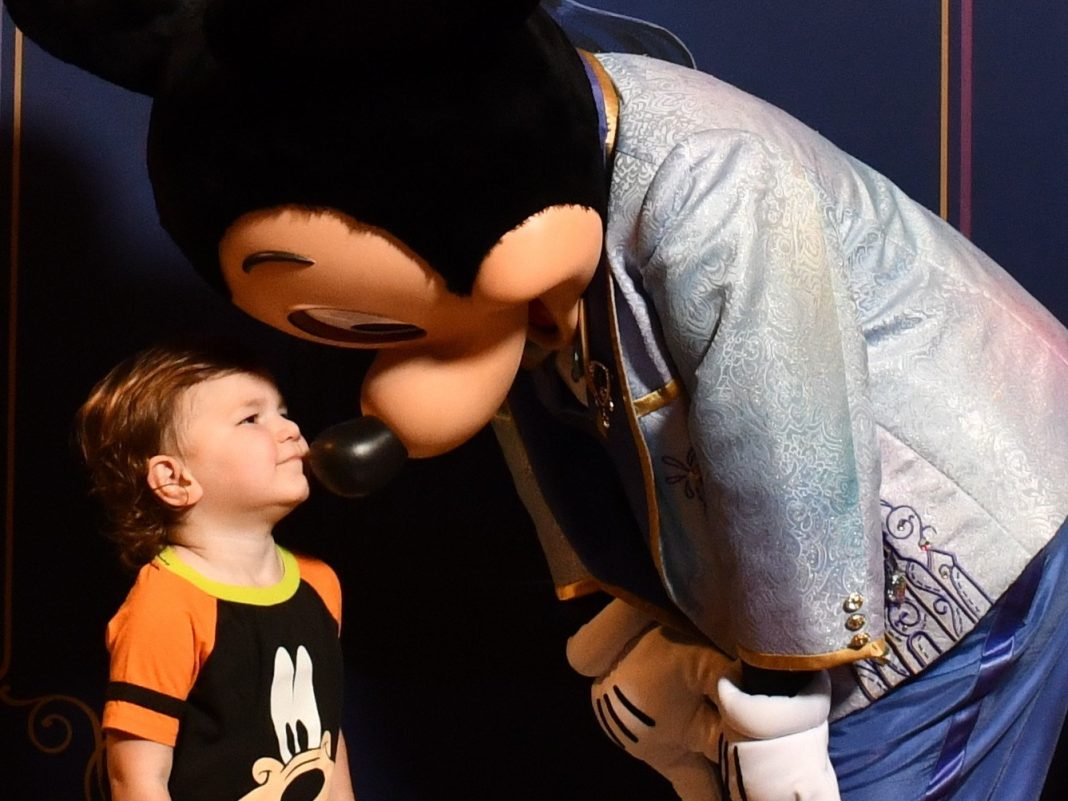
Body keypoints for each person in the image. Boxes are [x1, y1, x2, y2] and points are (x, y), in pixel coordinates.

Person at [10, 2, 1068, 799]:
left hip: (963, 523)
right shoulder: (517, 226)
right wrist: (628, 625)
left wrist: (778, 702)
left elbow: (782, 440)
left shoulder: (709, 181)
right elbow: (549, 421)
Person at [75, 342, 357, 801]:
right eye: (251, 419)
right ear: (174, 479)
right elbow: (136, 779)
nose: (290, 429)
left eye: (282, 412)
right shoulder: (167, 604)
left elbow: (327, 734)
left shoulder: (319, 582)